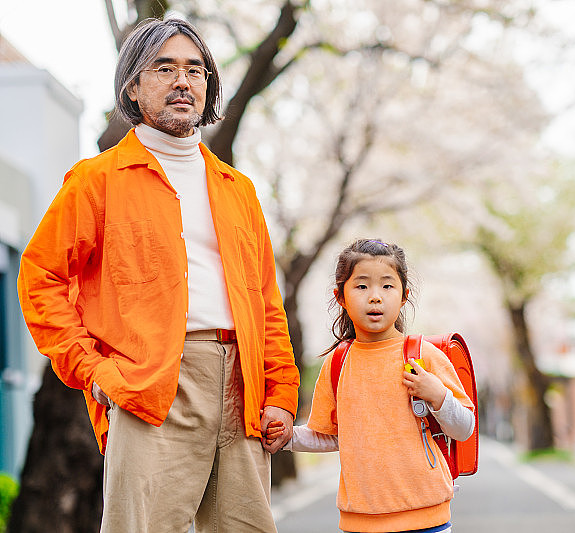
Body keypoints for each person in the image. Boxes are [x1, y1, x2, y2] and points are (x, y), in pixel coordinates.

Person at [17, 18, 299, 533]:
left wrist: (280, 392)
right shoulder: (96, 181)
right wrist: (95, 370)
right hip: (149, 384)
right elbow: (41, 279)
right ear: (133, 86)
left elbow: (265, 303)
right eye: (164, 68)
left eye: (194, 69)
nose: (182, 81)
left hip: (242, 383)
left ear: (208, 85)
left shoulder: (238, 189)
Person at [266, 239, 475, 533]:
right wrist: (288, 437)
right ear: (341, 296)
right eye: (362, 286)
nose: (375, 297)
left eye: (387, 286)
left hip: (428, 520)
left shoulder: (424, 356)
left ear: (404, 296)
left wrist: (438, 396)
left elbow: (465, 428)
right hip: (359, 522)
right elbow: (333, 436)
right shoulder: (338, 363)